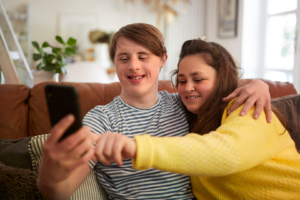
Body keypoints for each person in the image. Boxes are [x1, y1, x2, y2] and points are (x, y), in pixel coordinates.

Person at [37, 23, 272, 200]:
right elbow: (61, 190)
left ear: (163, 59)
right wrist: (49, 178)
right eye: (123, 58)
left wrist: (259, 85)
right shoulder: (101, 119)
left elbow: (219, 92)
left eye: (143, 56)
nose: (134, 66)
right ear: (114, 64)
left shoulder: (183, 103)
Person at [96, 38, 300, 200]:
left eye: (198, 79)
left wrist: (136, 148)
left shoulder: (247, 109)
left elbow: (226, 153)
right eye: (182, 81)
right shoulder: (188, 118)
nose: (188, 88)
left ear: (222, 79)